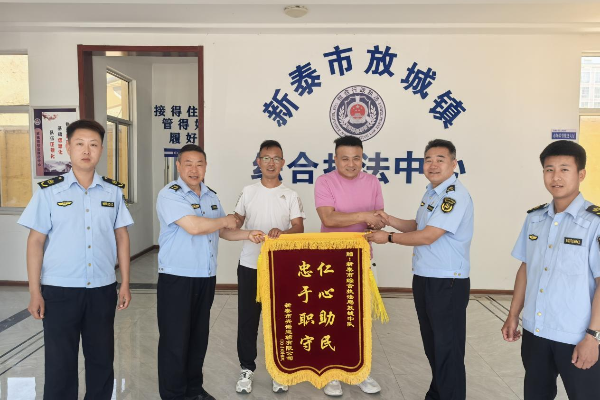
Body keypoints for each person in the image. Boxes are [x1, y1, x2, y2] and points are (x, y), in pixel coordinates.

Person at [18, 119, 133, 400]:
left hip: (102, 289)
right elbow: (35, 241)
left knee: (101, 360)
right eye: (80, 144)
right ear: (68, 147)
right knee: (60, 364)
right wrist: (34, 291)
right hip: (59, 291)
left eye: (93, 145)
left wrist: (125, 283)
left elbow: (121, 237)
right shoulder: (49, 191)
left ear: (101, 150)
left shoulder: (113, 192)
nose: (86, 150)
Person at [366, 138, 473, 400]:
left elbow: (428, 236)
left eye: (440, 160)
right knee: (433, 344)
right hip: (426, 277)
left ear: (454, 164)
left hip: (446, 281)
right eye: (428, 160)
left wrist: (388, 238)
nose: (433, 165)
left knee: (447, 347)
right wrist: (389, 219)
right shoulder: (432, 192)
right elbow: (418, 226)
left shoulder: (454, 196)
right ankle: (438, 393)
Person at [156, 144, 264, 400]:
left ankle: (194, 389)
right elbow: (194, 226)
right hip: (177, 277)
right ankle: (173, 394)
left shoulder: (210, 195)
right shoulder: (170, 194)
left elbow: (223, 230)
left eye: (200, 164)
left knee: (198, 337)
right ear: (178, 166)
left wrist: (248, 234)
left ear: (206, 167)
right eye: (188, 164)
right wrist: (226, 220)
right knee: (175, 339)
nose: (194, 169)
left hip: (205, 277)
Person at [501, 140, 600, 399]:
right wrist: (513, 315)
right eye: (549, 169)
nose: (555, 177)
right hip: (536, 331)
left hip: (576, 335)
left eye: (564, 169)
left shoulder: (594, 223)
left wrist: (593, 336)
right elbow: (526, 268)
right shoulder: (535, 218)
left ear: (581, 174)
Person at [314, 135, 385, 397]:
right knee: (331, 318)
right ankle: (332, 372)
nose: (351, 164)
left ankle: (359, 371)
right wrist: (363, 216)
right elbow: (328, 219)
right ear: (335, 159)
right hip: (330, 260)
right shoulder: (325, 181)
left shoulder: (372, 182)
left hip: (362, 258)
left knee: (359, 318)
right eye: (345, 158)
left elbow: (379, 220)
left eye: (357, 158)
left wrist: (372, 220)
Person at [233, 140, 305, 394]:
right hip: (250, 265)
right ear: (258, 162)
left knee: (280, 319)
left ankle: (279, 369)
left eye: (276, 158)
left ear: (283, 163)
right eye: (266, 158)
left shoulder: (291, 195)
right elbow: (236, 220)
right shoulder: (248, 191)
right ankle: (246, 368)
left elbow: (299, 227)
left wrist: (282, 233)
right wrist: (229, 222)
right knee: (248, 319)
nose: (271, 163)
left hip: (280, 267)